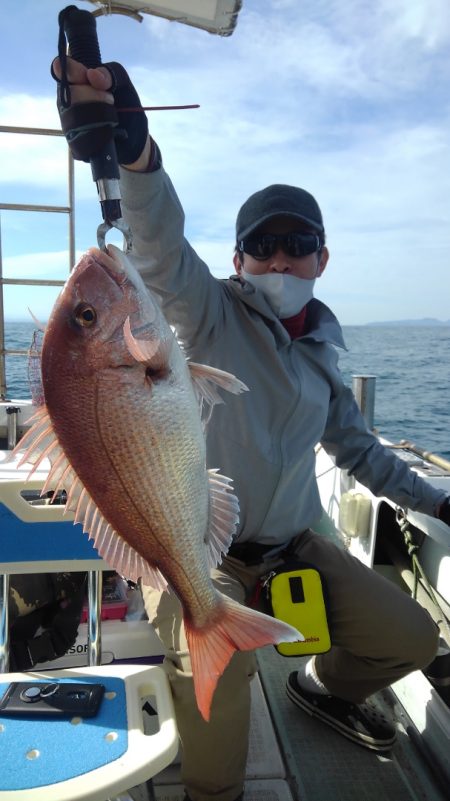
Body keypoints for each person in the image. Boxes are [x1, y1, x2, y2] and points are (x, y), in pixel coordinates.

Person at [52, 58, 450, 801]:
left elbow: (359, 452)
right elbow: (161, 246)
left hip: (298, 545)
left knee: (413, 637)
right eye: (260, 244)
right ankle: (213, 793)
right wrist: (137, 153)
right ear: (236, 259)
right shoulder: (205, 314)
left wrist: (438, 500)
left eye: (296, 242)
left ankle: (321, 687)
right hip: (200, 550)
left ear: (321, 258)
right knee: (217, 669)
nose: (278, 257)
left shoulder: (324, 354)